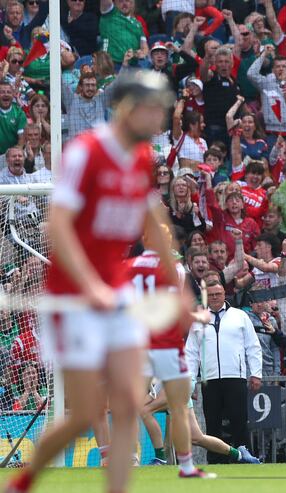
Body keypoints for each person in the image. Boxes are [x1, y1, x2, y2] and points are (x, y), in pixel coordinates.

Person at [5, 71, 186, 493]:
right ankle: (22, 483)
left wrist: (177, 283)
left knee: (125, 403)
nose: (159, 115)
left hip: (114, 294)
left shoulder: (142, 158)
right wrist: (91, 286)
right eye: (152, 106)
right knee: (87, 412)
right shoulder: (86, 152)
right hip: (73, 298)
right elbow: (58, 227)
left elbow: (152, 221)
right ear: (127, 107)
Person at [126, 226, 224, 475]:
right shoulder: (177, 269)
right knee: (178, 409)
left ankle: (133, 459)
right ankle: (186, 465)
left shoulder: (131, 267)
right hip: (168, 344)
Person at [184, 279, 262, 464]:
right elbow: (191, 353)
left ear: (224, 295)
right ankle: (215, 459)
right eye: (211, 295)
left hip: (235, 376)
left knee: (239, 419)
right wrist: (190, 382)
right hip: (209, 378)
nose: (215, 297)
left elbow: (253, 346)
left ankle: (243, 455)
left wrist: (256, 373)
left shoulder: (240, 316)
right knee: (212, 421)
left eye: (218, 294)